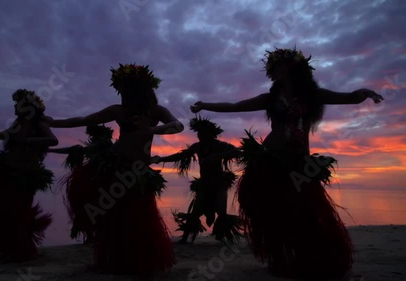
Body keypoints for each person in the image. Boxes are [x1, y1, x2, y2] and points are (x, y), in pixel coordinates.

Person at [190, 47, 384, 279]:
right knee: (272, 211)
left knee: (305, 212)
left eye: (282, 67)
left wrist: (367, 92)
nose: (278, 72)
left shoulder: (313, 95)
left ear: (295, 69)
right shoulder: (270, 99)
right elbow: (234, 106)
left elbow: (349, 97)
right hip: (271, 160)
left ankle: (309, 257)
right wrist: (204, 105)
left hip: (300, 161)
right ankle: (280, 255)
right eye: (275, 69)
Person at [44, 64, 183, 278]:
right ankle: (115, 260)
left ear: (140, 89)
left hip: (138, 171)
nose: (123, 94)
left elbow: (178, 126)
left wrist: (152, 129)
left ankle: (136, 260)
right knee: (114, 218)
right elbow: (83, 120)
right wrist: (55, 123)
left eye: (126, 90)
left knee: (138, 218)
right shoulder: (118, 111)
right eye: (121, 90)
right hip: (115, 167)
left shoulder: (156, 111)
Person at [0, 89, 59, 261]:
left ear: (26, 106)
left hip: (25, 174)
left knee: (19, 211)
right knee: (2, 210)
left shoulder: (38, 125)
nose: (14, 106)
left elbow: (53, 140)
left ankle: (19, 250)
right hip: (7, 172)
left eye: (18, 103)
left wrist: (28, 141)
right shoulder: (16, 125)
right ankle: (2, 249)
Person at [152, 116, 241, 244]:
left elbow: (237, 151)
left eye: (202, 133)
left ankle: (225, 238)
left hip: (219, 184)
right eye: (199, 133)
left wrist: (217, 156)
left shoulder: (220, 145)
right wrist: (161, 159)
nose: (199, 135)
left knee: (221, 213)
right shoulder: (197, 147)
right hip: (204, 184)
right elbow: (181, 156)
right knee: (195, 213)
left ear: (210, 134)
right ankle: (184, 238)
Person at [47, 124, 115, 244]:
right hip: (90, 184)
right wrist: (50, 150)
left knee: (104, 211)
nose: (94, 140)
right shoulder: (88, 150)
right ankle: (90, 236)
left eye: (97, 138)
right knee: (85, 210)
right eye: (93, 138)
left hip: (104, 183)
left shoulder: (111, 151)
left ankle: (102, 236)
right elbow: (71, 150)